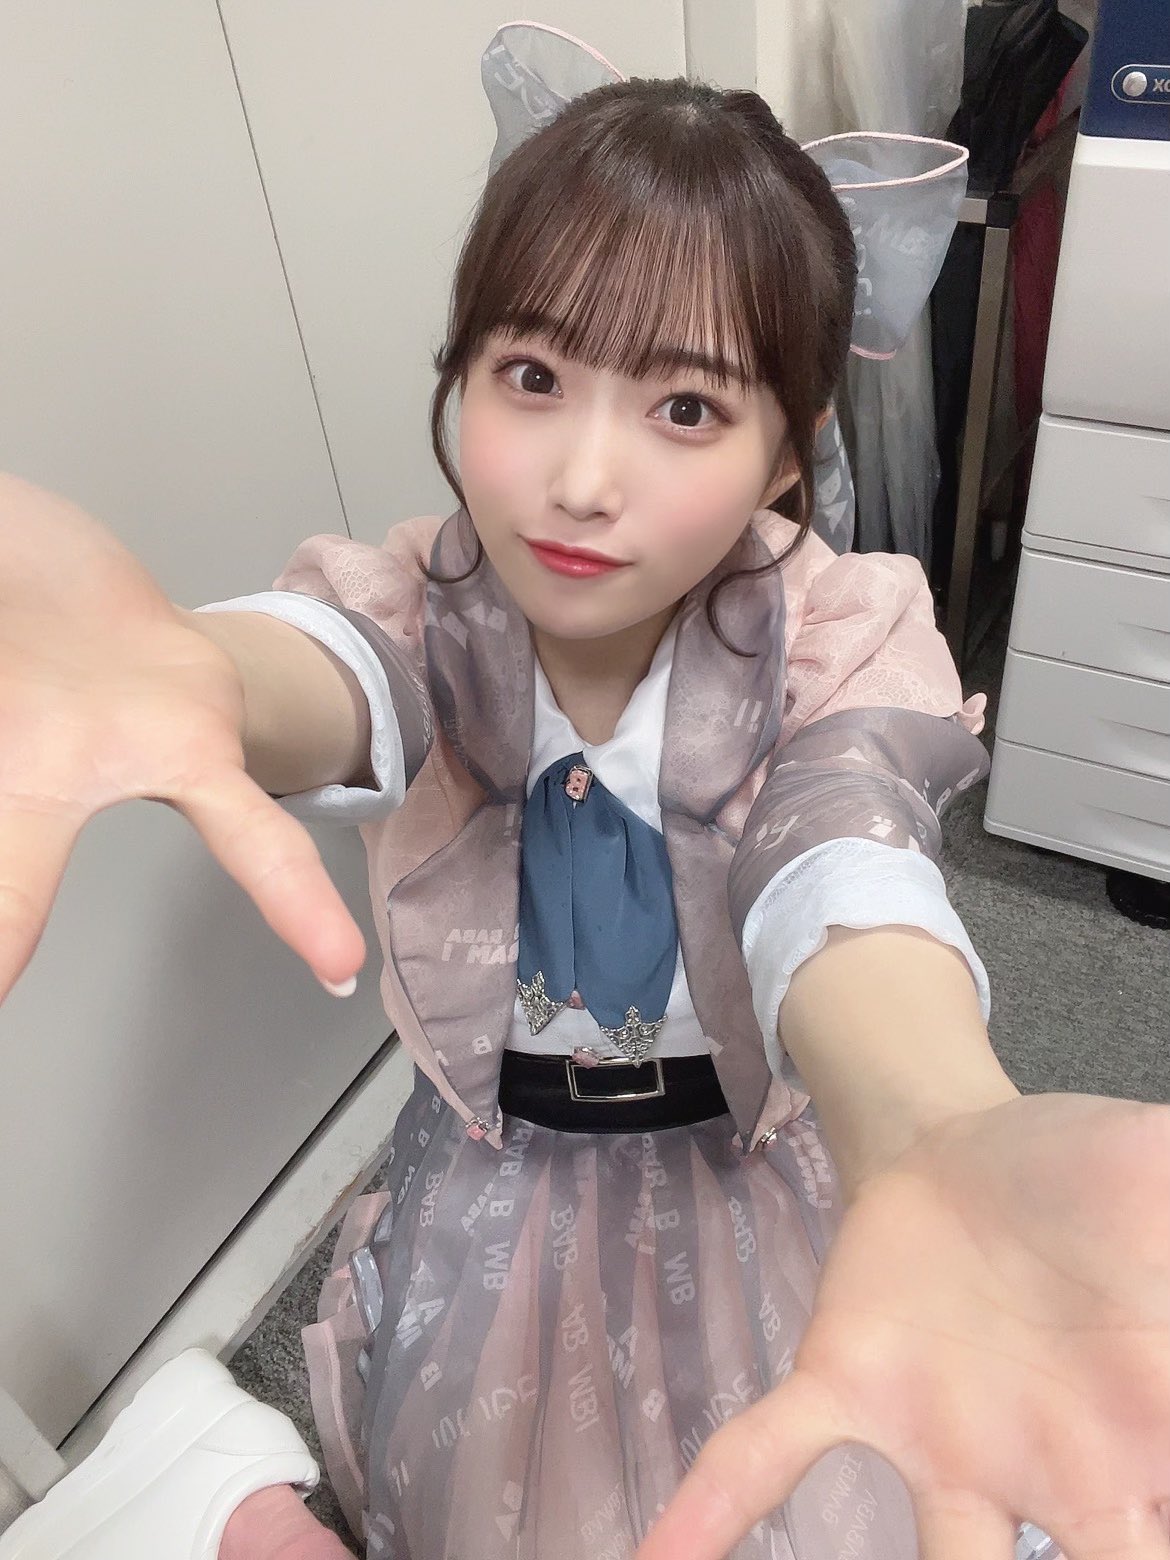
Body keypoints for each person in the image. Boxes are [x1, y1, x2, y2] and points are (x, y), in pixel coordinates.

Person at [1, 23, 1168, 1560]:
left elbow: (845, 856)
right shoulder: (428, 602)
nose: (581, 479)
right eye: (533, 375)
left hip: (748, 1169)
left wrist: (934, 1122)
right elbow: (329, 672)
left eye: (685, 408)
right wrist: (199, 674)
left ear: (786, 454)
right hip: (508, 1177)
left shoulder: (830, 632)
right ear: (461, 372)